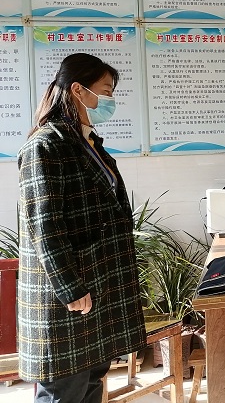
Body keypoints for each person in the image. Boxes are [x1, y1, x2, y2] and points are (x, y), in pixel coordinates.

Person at [17, 53, 146, 403]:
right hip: (69, 295)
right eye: (106, 91)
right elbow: (45, 226)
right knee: (64, 392)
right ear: (78, 90)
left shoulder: (87, 142)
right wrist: (70, 287)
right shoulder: (45, 145)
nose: (110, 100)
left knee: (91, 385)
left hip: (97, 285)